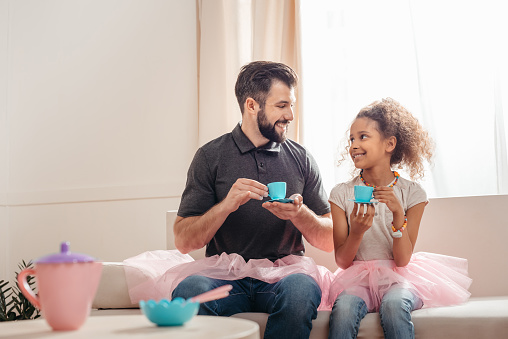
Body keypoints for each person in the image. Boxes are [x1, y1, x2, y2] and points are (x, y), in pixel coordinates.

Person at [172, 61, 334, 339]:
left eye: (291, 105)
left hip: (283, 277)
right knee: (189, 291)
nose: (291, 115)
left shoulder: (301, 158)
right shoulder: (210, 156)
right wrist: (226, 205)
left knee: (301, 290)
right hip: (224, 277)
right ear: (251, 106)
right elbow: (184, 241)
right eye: (282, 106)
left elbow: (332, 240)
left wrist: (299, 214)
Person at [327, 98, 471, 339]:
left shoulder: (412, 193)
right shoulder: (341, 194)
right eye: (351, 139)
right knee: (344, 309)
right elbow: (342, 261)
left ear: (390, 143)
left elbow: (403, 260)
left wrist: (397, 214)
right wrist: (357, 232)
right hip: (355, 277)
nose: (353, 145)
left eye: (363, 137)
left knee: (394, 306)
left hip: (398, 277)